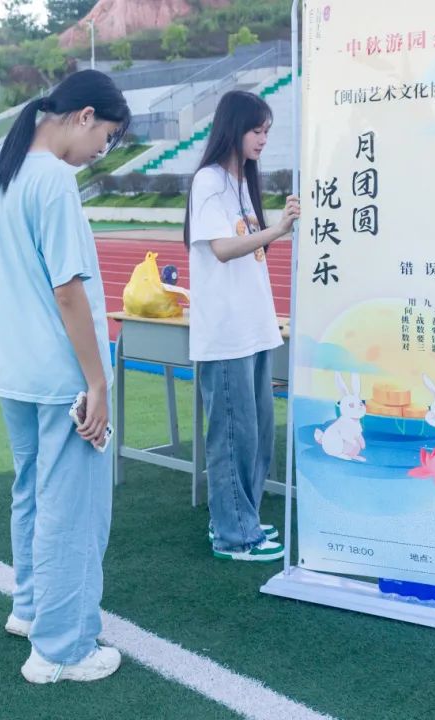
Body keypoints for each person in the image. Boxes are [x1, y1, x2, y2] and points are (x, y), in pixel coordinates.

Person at [0, 70, 130, 683]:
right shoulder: (54, 181)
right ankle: (61, 650)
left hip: (13, 367)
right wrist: (98, 383)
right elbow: (68, 291)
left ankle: (32, 608)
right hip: (63, 374)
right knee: (72, 509)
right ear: (83, 116)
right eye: (106, 138)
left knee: (33, 492)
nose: (100, 152)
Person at [183, 90, 300, 562]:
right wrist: (278, 229)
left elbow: (248, 252)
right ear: (233, 129)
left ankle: (242, 519)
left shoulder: (241, 183)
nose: (263, 139)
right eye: (256, 130)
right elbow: (222, 249)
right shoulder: (209, 181)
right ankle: (233, 535)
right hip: (227, 333)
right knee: (233, 436)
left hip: (254, 329)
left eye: (267, 131)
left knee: (257, 436)